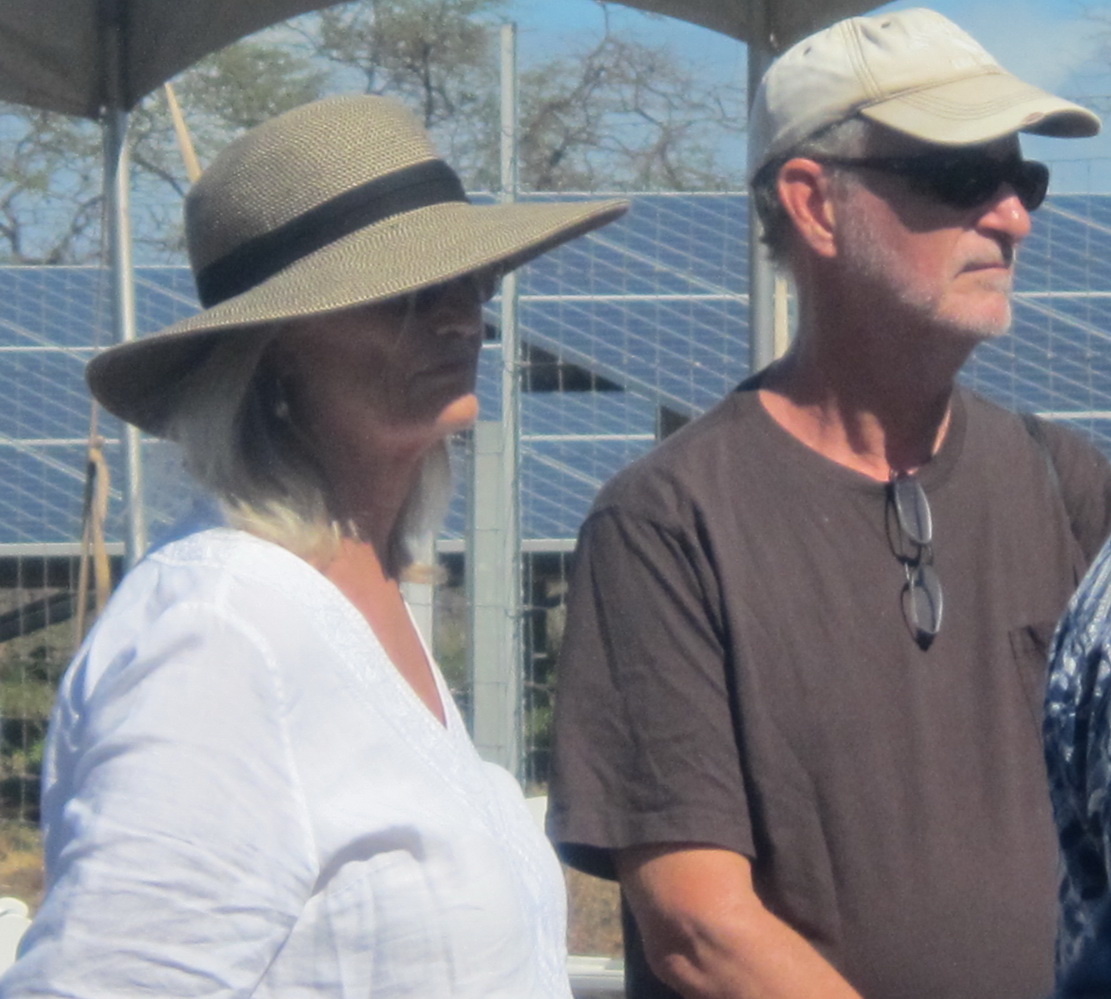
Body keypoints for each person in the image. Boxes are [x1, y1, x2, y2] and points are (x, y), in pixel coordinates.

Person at [0, 94, 626, 999]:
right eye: (407, 293)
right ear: (279, 346)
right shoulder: (223, 632)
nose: (461, 317)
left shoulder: (349, 592)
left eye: (471, 281)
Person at [547, 9, 1111, 999]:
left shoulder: (1065, 486)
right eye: (960, 176)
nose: (1012, 219)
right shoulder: (668, 523)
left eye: (1021, 181)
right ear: (814, 203)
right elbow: (697, 925)